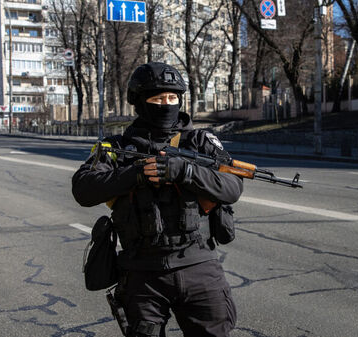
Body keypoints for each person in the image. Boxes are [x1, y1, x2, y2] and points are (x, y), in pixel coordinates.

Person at [72, 62, 243, 337]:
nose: (166, 104)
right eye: (157, 98)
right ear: (139, 102)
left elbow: (232, 186)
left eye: (172, 98)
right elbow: (83, 189)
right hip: (141, 275)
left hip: (199, 267)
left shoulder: (200, 142)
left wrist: (185, 171)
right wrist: (136, 174)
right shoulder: (116, 148)